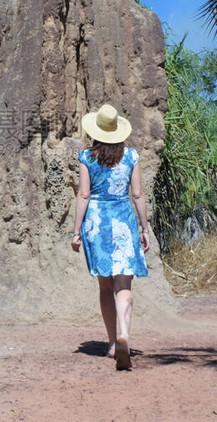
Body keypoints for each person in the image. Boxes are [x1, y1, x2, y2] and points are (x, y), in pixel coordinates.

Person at [71, 104, 151, 371]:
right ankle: (124, 334)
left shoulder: (86, 157)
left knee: (105, 287)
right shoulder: (131, 157)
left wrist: (76, 231)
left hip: (96, 222)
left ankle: (110, 343)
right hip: (123, 221)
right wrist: (144, 228)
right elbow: (137, 195)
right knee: (124, 284)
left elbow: (83, 194)